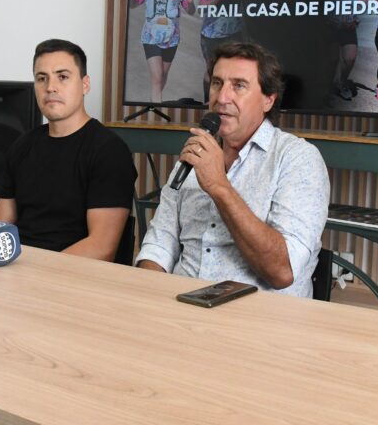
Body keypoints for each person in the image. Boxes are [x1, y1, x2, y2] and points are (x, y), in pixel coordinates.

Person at [135, 41, 330, 297]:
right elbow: (159, 244)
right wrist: (147, 294)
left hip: (257, 314)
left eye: (239, 85)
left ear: (268, 100)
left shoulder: (298, 159)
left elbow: (282, 272)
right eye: (217, 83)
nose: (221, 98)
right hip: (180, 304)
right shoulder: (196, 152)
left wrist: (219, 187)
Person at [0, 39, 137, 260]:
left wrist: (35, 270)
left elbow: (101, 248)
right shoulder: (21, 146)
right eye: (42, 78)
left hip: (73, 273)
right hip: (19, 267)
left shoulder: (109, 151)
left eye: (62, 77)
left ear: (85, 84)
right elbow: (0, 228)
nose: (50, 87)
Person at [130, 0, 196, 103]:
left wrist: (191, 2)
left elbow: (191, 11)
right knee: (157, 77)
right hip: (150, 38)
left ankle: (154, 100)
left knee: (163, 76)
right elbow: (133, 5)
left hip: (171, 39)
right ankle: (156, 107)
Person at [199, 0, 245, 102]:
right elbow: (203, 6)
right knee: (212, 72)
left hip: (235, 33)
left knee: (234, 72)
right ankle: (207, 103)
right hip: (212, 35)